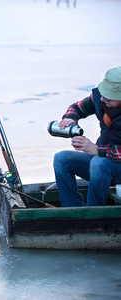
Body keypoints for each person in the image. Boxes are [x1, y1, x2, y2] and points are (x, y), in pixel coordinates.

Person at [53, 66, 121, 207]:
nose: (102, 98)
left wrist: (97, 150)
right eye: (103, 93)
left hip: (110, 164)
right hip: (103, 161)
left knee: (98, 163)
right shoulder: (101, 99)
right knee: (61, 158)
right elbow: (76, 107)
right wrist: (71, 118)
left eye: (108, 97)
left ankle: (92, 214)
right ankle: (73, 212)